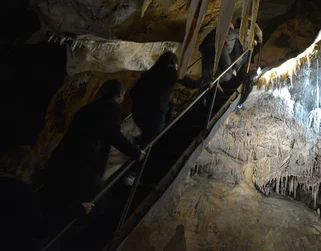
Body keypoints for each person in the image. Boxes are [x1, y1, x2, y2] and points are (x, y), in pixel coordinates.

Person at [42, 80, 143, 223]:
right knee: (89, 204)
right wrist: (136, 153)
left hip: (65, 157)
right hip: (86, 163)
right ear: (120, 94)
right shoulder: (112, 107)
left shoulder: (87, 108)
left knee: (64, 201)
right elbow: (114, 135)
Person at [130, 51, 206, 148]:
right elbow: (190, 83)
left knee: (148, 138)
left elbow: (133, 93)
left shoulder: (148, 73)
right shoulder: (171, 72)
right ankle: (140, 159)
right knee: (148, 143)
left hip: (138, 110)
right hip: (154, 113)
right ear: (173, 63)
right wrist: (205, 83)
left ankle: (140, 144)